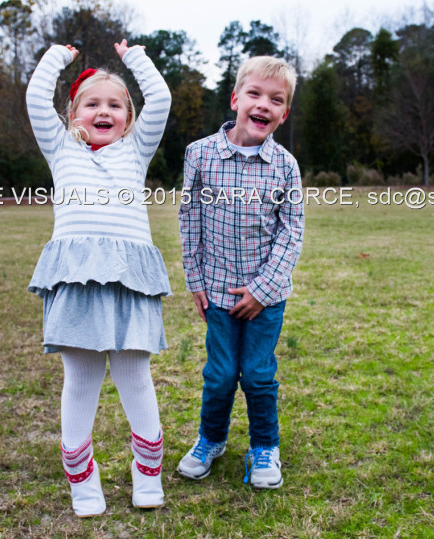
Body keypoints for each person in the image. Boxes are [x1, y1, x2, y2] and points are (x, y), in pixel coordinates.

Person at [25, 39, 172, 516]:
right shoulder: (61, 149)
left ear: (128, 119)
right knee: (81, 379)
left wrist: (135, 58)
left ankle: (147, 472)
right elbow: (34, 97)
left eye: (114, 105)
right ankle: (82, 481)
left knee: (135, 375)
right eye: (92, 104)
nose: (103, 111)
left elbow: (163, 99)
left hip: (130, 279)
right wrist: (57, 58)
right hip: (77, 281)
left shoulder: (136, 151)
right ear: (73, 115)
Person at [176, 55, 305, 489]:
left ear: (283, 114)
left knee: (258, 374)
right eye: (255, 94)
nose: (263, 105)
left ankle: (265, 446)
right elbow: (189, 220)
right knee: (220, 373)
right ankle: (210, 439)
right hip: (215, 290)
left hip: (265, 298)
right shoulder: (199, 155)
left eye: (276, 100)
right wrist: (195, 281)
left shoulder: (285, 166)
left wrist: (262, 290)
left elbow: (292, 233)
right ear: (235, 99)